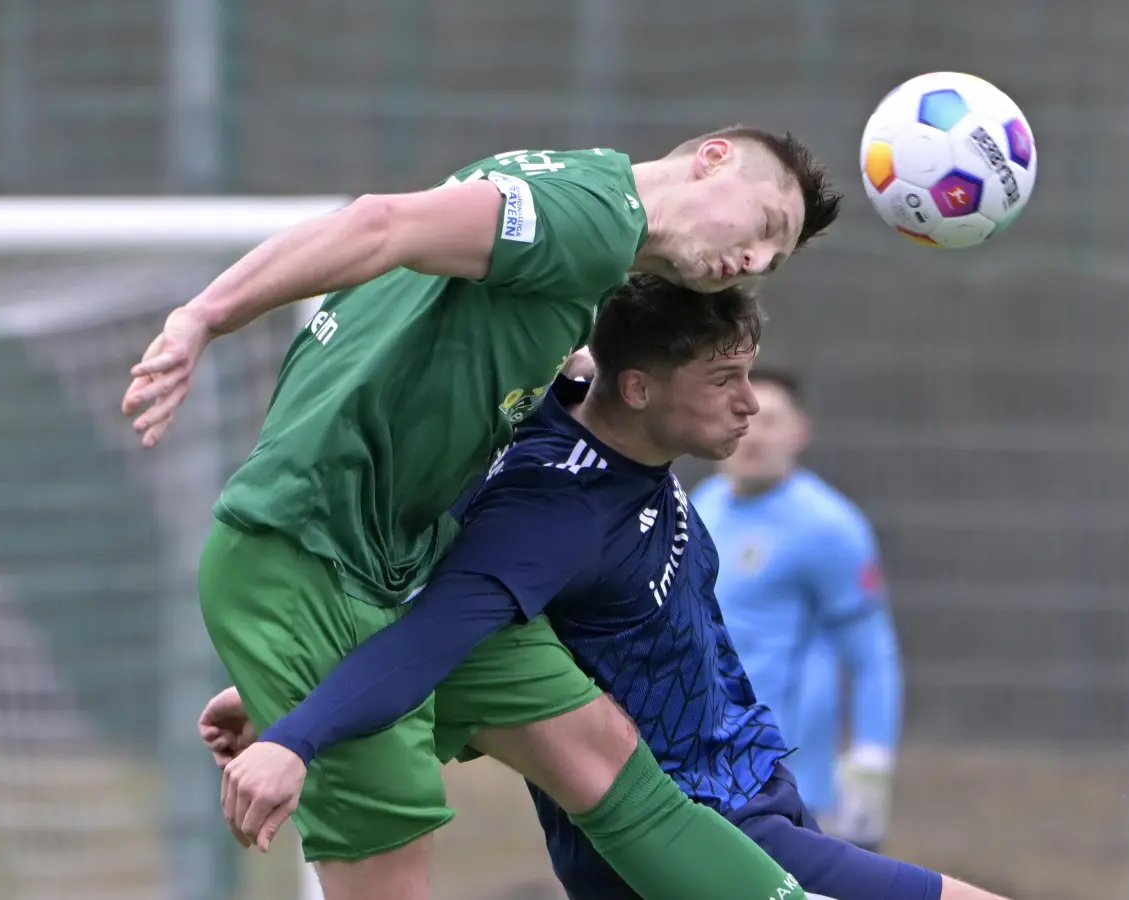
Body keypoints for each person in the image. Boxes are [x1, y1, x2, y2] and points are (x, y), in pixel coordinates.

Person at [121, 128, 841, 900]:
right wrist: (204, 317)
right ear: (713, 159)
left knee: (603, 757)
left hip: (404, 564)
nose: (755, 259)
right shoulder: (592, 217)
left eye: (775, 258)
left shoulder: (587, 229)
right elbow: (380, 224)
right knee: (390, 875)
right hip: (308, 557)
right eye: (765, 225)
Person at [226, 276, 1012, 900]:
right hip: (686, 832)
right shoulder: (551, 518)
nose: (749, 402)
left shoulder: (592, 414)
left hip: (752, 791)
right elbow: (433, 637)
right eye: (724, 379)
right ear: (637, 389)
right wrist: (296, 731)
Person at [693, 370, 902, 851]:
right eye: (742, 418)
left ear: (799, 432)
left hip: (790, 784)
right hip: (705, 773)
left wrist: (871, 762)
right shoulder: (701, 507)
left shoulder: (829, 526)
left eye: (769, 421)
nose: (753, 435)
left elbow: (873, 655)